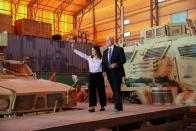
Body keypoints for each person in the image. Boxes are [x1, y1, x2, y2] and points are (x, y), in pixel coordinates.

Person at [72, 44, 107, 112]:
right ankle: (92, 107)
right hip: (91, 76)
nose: (92, 51)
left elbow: (104, 67)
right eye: (92, 50)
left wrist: (105, 72)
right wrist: (74, 50)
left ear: (97, 51)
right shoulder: (89, 58)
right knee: (91, 91)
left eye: (93, 50)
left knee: (101, 91)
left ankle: (102, 106)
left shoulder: (101, 59)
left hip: (99, 75)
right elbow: (82, 55)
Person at [102, 36, 126, 112]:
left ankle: (117, 107)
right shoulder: (105, 52)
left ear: (113, 40)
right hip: (109, 74)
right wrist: (103, 71)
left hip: (117, 73)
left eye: (108, 40)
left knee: (116, 90)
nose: (107, 42)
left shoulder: (119, 49)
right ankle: (120, 107)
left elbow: (123, 60)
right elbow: (103, 63)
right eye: (106, 40)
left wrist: (116, 64)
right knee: (114, 90)